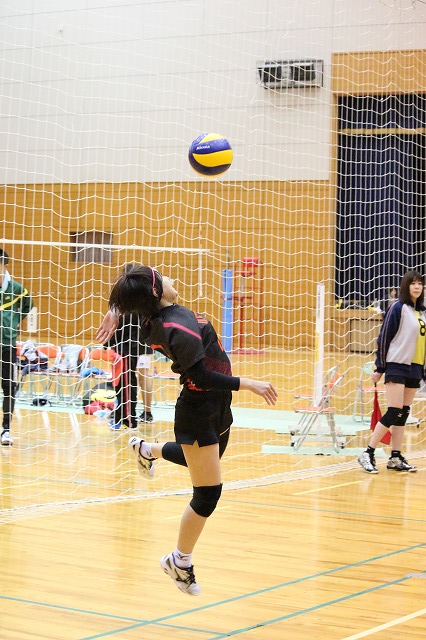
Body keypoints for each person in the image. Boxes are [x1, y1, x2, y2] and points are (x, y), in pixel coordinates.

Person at [96, 264, 278, 595]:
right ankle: (179, 561)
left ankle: (147, 450)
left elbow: (133, 283)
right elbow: (201, 376)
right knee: (208, 492)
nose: (171, 278)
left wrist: (116, 309)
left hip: (216, 403)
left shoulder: (154, 316)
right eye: (163, 278)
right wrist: (249, 383)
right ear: (156, 291)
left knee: (206, 461)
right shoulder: (175, 326)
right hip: (199, 409)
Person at [358, 270, 423, 474]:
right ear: (406, 286)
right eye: (413, 283)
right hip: (397, 364)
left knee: (403, 413)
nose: (417, 287)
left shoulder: (422, 312)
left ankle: (395, 457)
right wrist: (380, 367)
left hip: (415, 367)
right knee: (394, 411)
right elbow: (384, 338)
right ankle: (368, 453)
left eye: (420, 283)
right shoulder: (398, 307)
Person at [0, 248, 33, 445]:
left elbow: (28, 305)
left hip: (7, 345)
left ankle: (5, 430)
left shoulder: (16, 288)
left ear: (4, 265)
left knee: (9, 387)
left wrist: (14, 322)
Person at [106, 314, 154, 430]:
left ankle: (139, 415)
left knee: (138, 378)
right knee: (125, 380)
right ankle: (124, 414)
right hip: (132, 344)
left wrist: (108, 342)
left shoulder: (132, 309)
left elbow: (124, 323)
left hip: (135, 344)